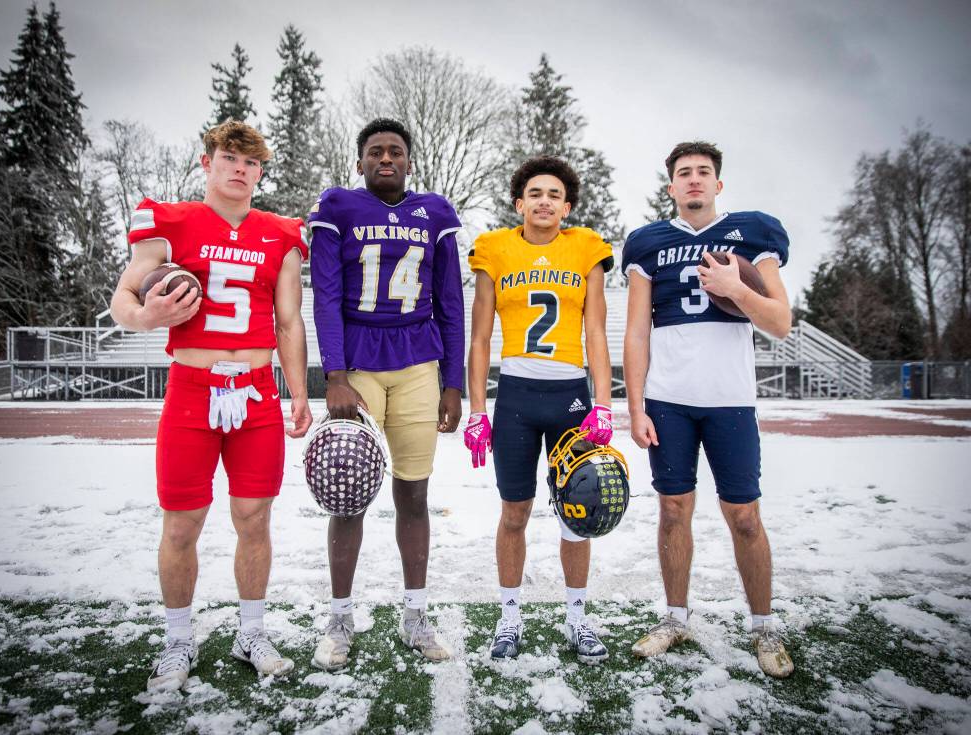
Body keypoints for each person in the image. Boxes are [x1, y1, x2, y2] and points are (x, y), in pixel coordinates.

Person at [110, 120, 312, 690]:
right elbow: (123, 297)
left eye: (251, 163)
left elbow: (289, 320)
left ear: (260, 172)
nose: (240, 170)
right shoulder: (169, 223)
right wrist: (145, 316)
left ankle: (251, 631)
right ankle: (178, 640)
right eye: (230, 158)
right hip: (192, 390)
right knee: (182, 524)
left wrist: (299, 392)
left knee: (254, 519)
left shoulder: (280, 233)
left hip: (255, 391)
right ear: (207, 162)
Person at [622, 141, 794, 678]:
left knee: (744, 517)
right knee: (673, 510)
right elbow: (635, 329)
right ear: (670, 186)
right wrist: (634, 406)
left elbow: (781, 322)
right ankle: (675, 617)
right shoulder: (648, 242)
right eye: (683, 173)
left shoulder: (755, 232)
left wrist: (733, 288)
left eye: (703, 173)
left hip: (730, 400)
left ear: (718, 184)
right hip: (669, 400)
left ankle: (764, 624)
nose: (693, 180)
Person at [307, 118, 465, 670]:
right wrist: (334, 376)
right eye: (375, 152)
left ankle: (415, 615)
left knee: (414, 494)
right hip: (359, 367)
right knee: (347, 492)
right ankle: (340, 617)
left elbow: (450, 300)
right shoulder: (338, 208)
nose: (386, 159)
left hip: (419, 364)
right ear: (360, 163)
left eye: (396, 151)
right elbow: (325, 296)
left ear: (409, 161)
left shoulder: (436, 213)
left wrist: (453, 382)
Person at [465, 156, 615, 664]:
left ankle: (577, 618)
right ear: (519, 203)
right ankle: (509, 619)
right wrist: (476, 409)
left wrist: (605, 403)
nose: (544, 200)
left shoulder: (586, 249)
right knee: (514, 512)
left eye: (554, 194)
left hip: (571, 396)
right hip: (516, 397)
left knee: (579, 512)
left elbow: (595, 331)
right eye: (535, 193)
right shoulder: (495, 250)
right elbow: (480, 336)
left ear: (566, 206)